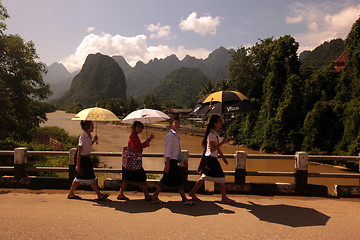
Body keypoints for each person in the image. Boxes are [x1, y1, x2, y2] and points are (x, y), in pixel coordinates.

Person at [189, 115, 235, 204]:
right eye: (219, 121)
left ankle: (192, 192)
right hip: (211, 158)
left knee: (204, 177)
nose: (221, 123)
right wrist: (223, 142)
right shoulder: (211, 134)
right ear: (215, 123)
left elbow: (216, 148)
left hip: (210, 158)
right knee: (221, 177)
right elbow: (213, 148)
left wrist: (223, 157)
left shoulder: (215, 133)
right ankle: (224, 198)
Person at [152, 117, 192, 204]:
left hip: (173, 160)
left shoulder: (175, 135)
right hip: (171, 161)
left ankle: (155, 195)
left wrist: (181, 160)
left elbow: (177, 150)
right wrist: (167, 164)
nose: (177, 125)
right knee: (177, 178)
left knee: (167, 179)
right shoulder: (170, 136)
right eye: (175, 123)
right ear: (171, 125)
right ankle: (184, 198)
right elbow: (168, 151)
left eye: (178, 123)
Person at [67, 120, 109, 200]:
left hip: (86, 157)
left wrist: (94, 140)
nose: (93, 127)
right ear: (87, 127)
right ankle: (99, 194)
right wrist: (77, 164)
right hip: (82, 158)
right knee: (88, 177)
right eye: (91, 126)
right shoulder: (83, 137)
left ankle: (71, 193)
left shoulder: (89, 135)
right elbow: (79, 151)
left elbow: (88, 146)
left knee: (83, 177)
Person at [117, 121, 154, 201]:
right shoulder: (133, 136)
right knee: (142, 176)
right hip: (134, 162)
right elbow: (135, 148)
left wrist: (148, 140)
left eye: (141, 127)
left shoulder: (134, 135)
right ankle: (146, 195)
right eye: (138, 127)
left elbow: (138, 146)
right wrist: (142, 147)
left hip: (130, 162)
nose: (140, 129)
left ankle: (120, 193)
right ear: (134, 127)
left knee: (126, 179)